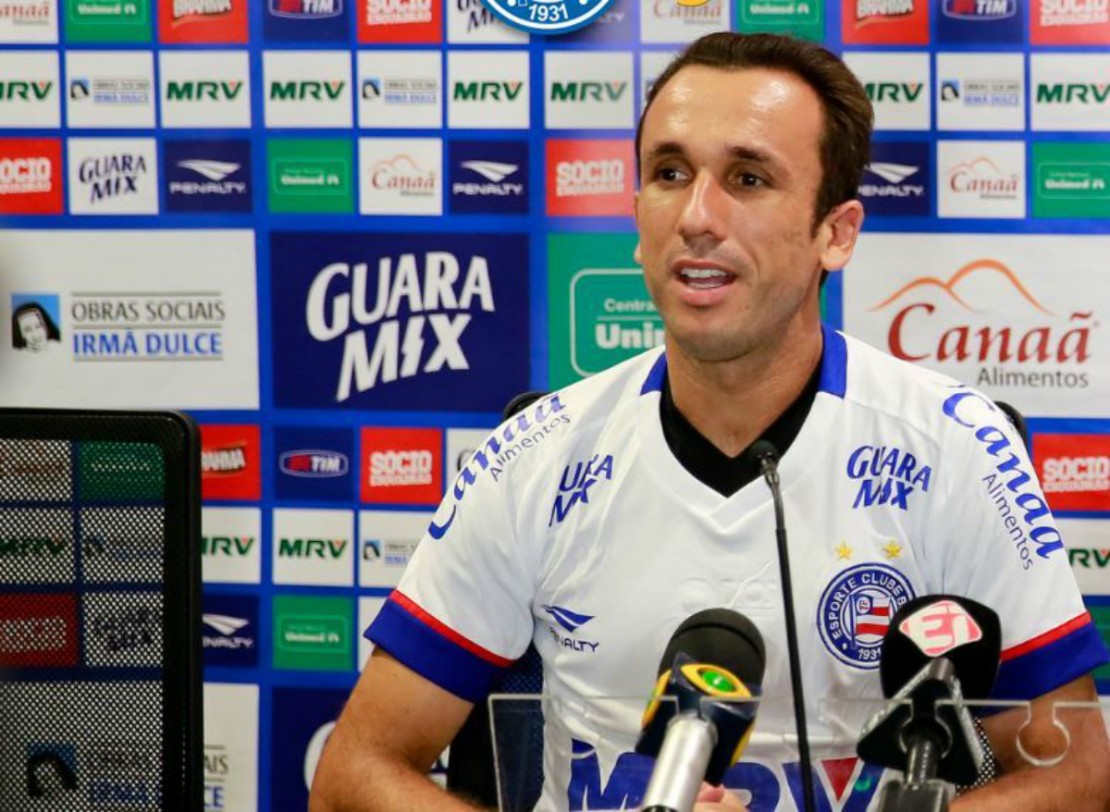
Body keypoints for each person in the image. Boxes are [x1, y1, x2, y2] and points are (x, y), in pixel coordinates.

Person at [310, 33, 1110, 811]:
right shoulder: (535, 456)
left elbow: (1075, 779)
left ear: (835, 233)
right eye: (669, 173)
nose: (697, 215)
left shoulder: (954, 447)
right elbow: (354, 774)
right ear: (636, 215)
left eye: (748, 178)